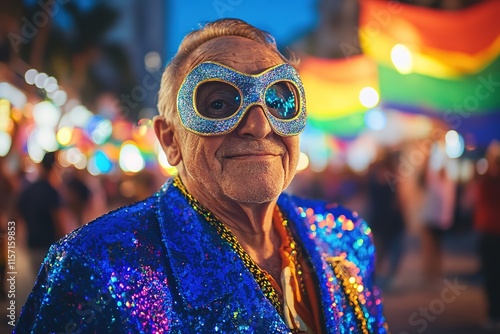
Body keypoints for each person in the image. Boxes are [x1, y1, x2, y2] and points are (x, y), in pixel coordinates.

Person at [15, 19, 388, 333]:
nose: (259, 126)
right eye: (219, 104)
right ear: (170, 140)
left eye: (278, 100)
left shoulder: (344, 238)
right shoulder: (99, 267)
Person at [473, 141, 500, 330]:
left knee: (491, 276)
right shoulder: (486, 182)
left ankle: (493, 315)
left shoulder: (487, 182)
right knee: (491, 276)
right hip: (489, 233)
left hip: (490, 233)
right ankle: (493, 314)